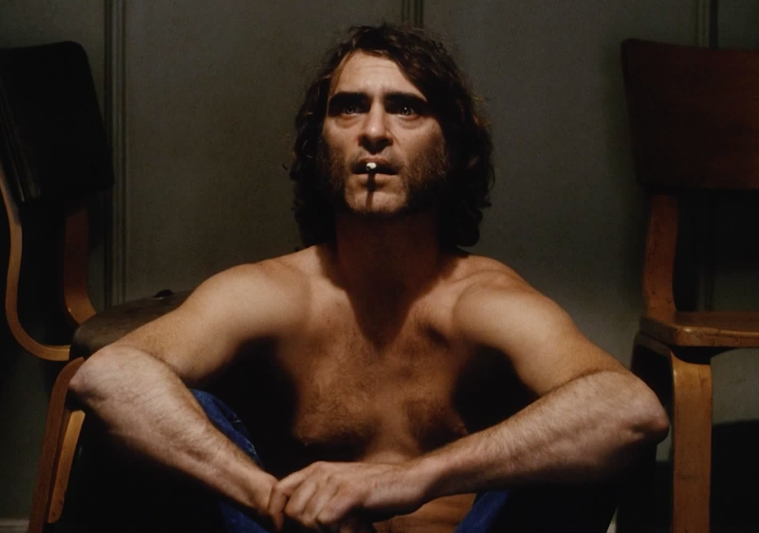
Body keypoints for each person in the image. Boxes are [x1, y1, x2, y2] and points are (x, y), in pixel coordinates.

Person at [69, 23, 668, 533]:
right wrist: (264, 496)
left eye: (406, 108)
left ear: (455, 148)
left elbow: (631, 411)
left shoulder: (483, 302)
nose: (373, 130)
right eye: (349, 107)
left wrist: (410, 479)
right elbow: (110, 376)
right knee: (173, 413)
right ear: (320, 147)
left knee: (575, 435)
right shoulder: (273, 294)